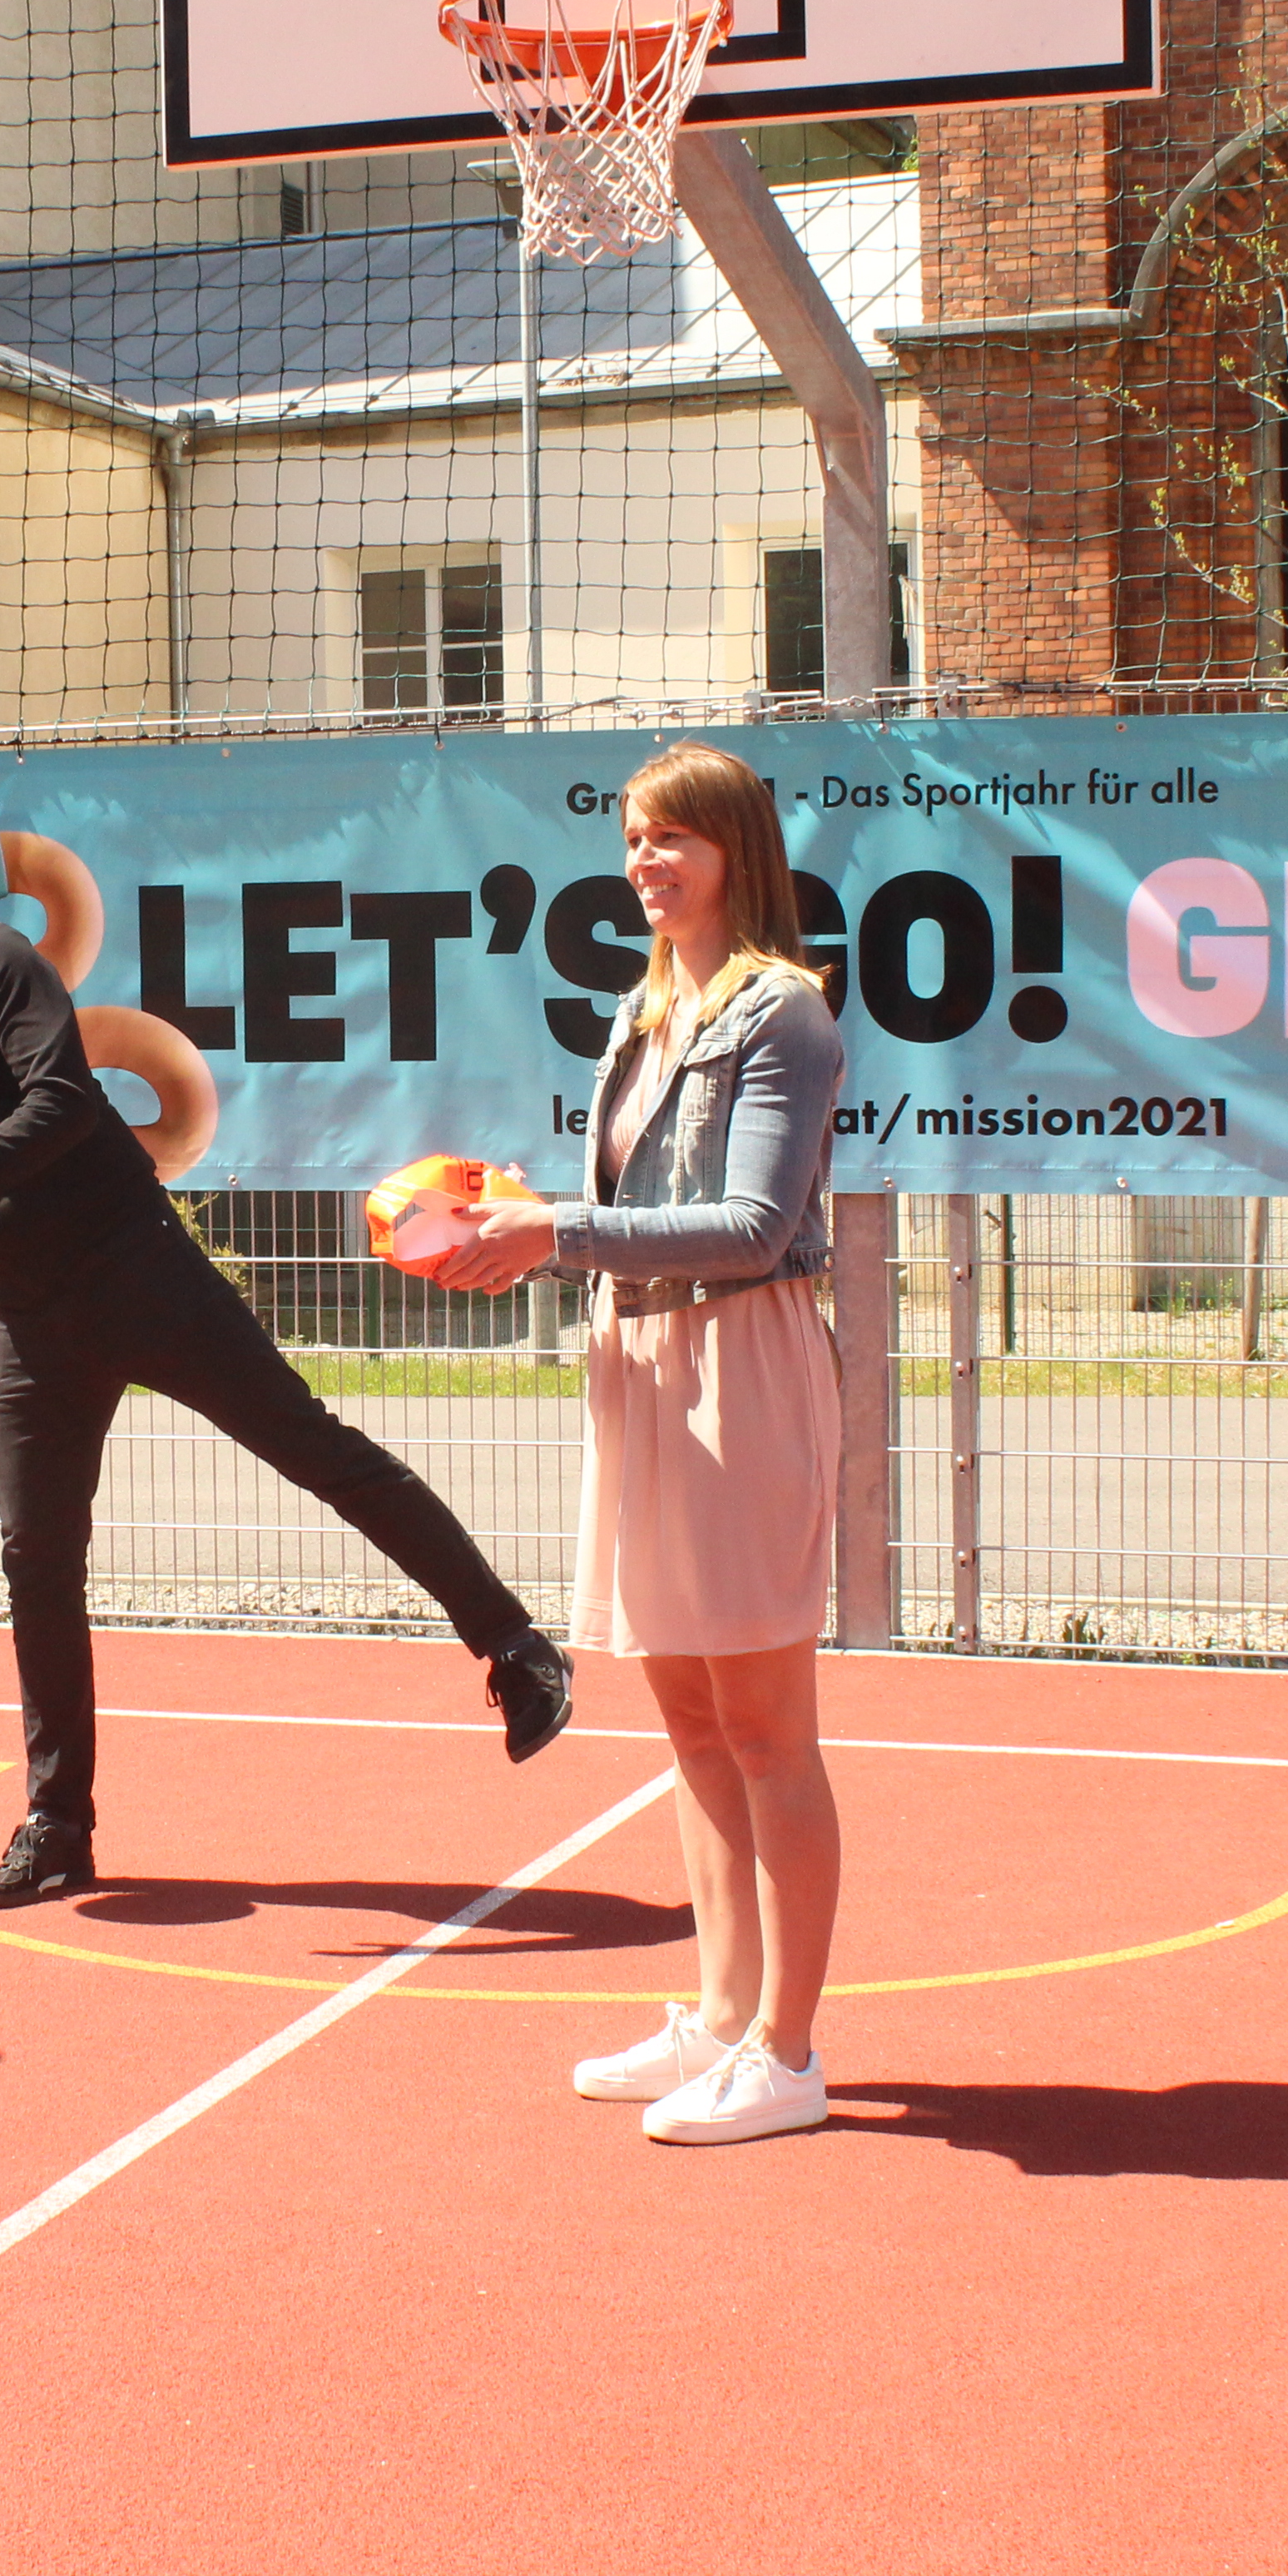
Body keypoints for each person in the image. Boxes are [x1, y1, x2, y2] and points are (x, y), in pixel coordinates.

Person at [0, 783, 572, 1912]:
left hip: (135, 1266)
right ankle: (58, 1826)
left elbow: (60, 1105)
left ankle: (514, 1649)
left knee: (317, 1450)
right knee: (36, 1562)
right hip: (33, 1317)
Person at [431, 744, 851, 2146]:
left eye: (670, 838)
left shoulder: (779, 1012)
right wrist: (521, 1227)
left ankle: (786, 2054)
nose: (643, 863)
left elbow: (748, 1225)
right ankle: (721, 2017)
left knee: (766, 1726)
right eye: (629, 841)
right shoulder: (643, 1009)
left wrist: (550, 1229)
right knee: (687, 1715)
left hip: (742, 1360)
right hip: (641, 1357)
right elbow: (628, 1207)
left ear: (733, 848)